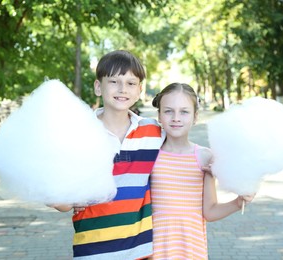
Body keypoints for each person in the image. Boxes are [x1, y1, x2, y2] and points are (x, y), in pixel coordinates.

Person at [51, 50, 164, 259]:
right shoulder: (78, 133)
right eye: (114, 81)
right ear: (97, 87)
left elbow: (183, 151)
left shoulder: (154, 131)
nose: (122, 89)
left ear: (140, 90)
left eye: (131, 83)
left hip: (141, 251)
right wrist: (62, 198)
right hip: (93, 250)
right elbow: (57, 196)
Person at [149, 83, 254, 259]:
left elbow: (210, 212)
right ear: (159, 115)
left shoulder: (205, 157)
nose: (176, 118)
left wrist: (238, 202)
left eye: (184, 111)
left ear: (195, 116)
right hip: (156, 251)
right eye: (168, 111)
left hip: (191, 251)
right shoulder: (150, 155)